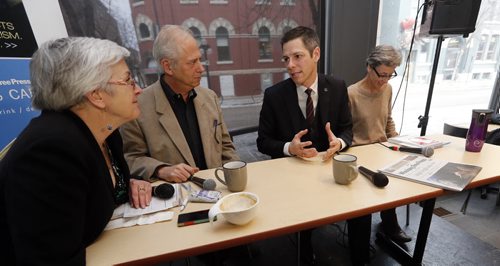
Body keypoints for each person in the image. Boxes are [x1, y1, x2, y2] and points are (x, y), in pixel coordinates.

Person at [0, 37, 152, 265]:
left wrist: (130, 183)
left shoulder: (106, 133)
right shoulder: (49, 151)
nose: (139, 89)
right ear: (96, 95)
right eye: (128, 80)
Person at [257, 26, 372, 266]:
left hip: (331, 171)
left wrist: (338, 142)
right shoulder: (274, 95)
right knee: (303, 220)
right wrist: (290, 148)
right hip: (293, 177)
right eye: (286, 58)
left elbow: (347, 129)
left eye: (297, 56)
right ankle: (304, 251)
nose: (290, 64)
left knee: (363, 209)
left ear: (316, 54)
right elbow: (263, 141)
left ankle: (361, 259)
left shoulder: (338, 86)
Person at [120, 25, 239, 183]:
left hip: (219, 193)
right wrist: (161, 169)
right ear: (168, 66)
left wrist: (235, 179)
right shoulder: (137, 107)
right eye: (192, 62)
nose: (201, 68)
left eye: (200, 59)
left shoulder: (210, 97)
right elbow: (131, 158)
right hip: (178, 203)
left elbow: (226, 147)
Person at [348, 44, 412, 244]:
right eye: (382, 75)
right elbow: (345, 131)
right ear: (369, 67)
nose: (385, 80)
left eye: (390, 75)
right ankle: (361, 245)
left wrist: (398, 140)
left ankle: (389, 226)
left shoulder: (388, 89)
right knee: (363, 202)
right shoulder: (352, 94)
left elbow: (387, 120)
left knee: (390, 185)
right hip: (360, 155)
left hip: (383, 150)